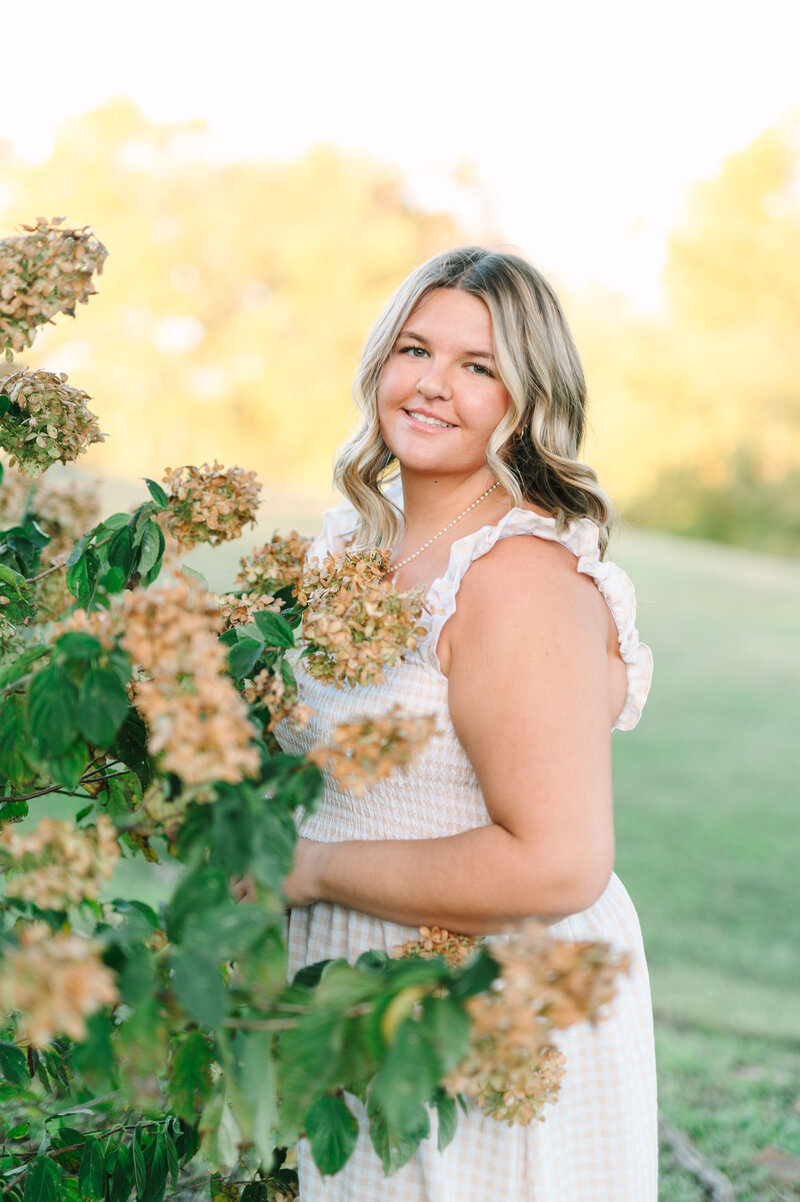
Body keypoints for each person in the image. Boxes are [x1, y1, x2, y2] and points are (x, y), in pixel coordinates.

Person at [275, 246, 657, 1200]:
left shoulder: (519, 578)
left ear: (527, 398)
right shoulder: (353, 541)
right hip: (345, 983)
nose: (432, 384)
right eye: (414, 349)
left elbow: (560, 862)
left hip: (480, 1009)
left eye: (478, 366)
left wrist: (314, 866)